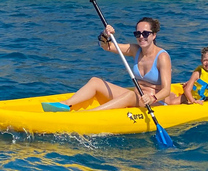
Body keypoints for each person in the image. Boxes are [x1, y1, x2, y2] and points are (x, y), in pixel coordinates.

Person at [42, 17, 172, 112]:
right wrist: (105, 35)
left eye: (145, 33)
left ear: (154, 35)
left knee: (130, 94)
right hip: (136, 96)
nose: (141, 37)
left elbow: (167, 90)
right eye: (137, 33)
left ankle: (90, 113)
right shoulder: (134, 49)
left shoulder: (162, 56)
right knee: (95, 81)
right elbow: (107, 46)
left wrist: (153, 98)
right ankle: (65, 104)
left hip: (154, 103)